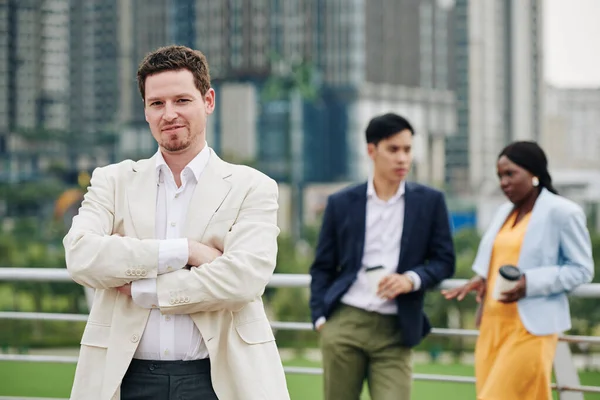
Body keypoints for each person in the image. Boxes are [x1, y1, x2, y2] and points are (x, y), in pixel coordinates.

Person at [63, 45, 290, 400]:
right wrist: (185, 251)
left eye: (182, 100)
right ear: (145, 111)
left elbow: (244, 278)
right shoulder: (112, 180)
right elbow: (81, 256)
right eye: (157, 104)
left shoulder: (252, 186)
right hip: (126, 378)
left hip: (219, 377)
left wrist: (145, 291)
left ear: (208, 100)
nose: (169, 114)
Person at [309, 112, 456, 400]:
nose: (403, 158)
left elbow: (445, 260)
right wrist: (320, 319)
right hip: (345, 322)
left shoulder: (430, 202)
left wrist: (411, 280)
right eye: (393, 149)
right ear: (371, 150)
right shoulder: (341, 203)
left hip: (397, 327)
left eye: (408, 149)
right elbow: (323, 266)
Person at [442, 141, 594, 400]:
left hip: (531, 328)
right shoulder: (503, 212)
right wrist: (482, 278)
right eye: (500, 176)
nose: (503, 182)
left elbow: (581, 270)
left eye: (510, 174)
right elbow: (501, 256)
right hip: (493, 325)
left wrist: (529, 282)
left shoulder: (563, 212)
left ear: (534, 173)